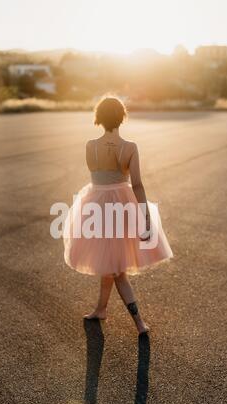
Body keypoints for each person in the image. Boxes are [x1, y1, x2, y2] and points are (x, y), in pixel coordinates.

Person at [63, 96, 173, 334]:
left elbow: (97, 175)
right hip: (122, 207)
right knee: (113, 264)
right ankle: (104, 311)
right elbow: (138, 185)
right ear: (123, 117)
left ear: (98, 118)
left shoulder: (90, 146)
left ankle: (136, 322)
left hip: (95, 206)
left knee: (113, 266)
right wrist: (145, 217)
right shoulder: (130, 147)